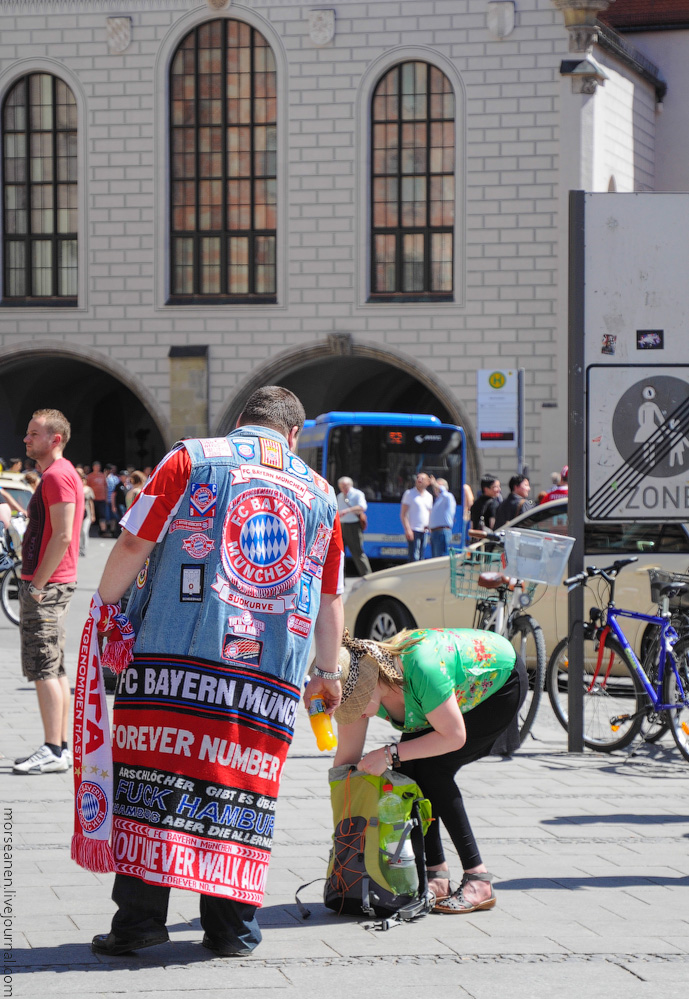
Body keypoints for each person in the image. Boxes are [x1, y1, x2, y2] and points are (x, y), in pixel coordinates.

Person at [89, 385, 345, 959]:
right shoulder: (322, 494)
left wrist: (104, 608)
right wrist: (327, 672)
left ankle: (139, 923)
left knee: (153, 782)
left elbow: (134, 540)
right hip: (267, 679)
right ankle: (232, 929)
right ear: (293, 434)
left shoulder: (191, 459)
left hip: (170, 661)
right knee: (243, 791)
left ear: (240, 422)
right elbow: (330, 598)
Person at [322, 628, 526, 914]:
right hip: (438, 699)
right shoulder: (356, 680)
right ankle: (437, 876)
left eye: (354, 706)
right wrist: (344, 842)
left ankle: (479, 880)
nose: (351, 713)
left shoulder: (422, 667)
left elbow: (454, 736)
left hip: (495, 683)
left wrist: (388, 754)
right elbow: (346, 764)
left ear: (370, 684)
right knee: (410, 771)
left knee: (433, 771)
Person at [12, 409, 84, 775]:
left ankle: (54, 750)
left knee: (43, 667)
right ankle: (60, 746)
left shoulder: (56, 476)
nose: (26, 439)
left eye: (34, 433)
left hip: (48, 585)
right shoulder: (59, 474)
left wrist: (37, 584)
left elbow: (64, 535)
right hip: (52, 583)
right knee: (52, 666)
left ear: (55, 439)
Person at [336, 476, 372, 577]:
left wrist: (347, 511)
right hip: (341, 525)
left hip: (353, 526)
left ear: (350, 485)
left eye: (345, 486)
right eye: (341, 487)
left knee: (358, 553)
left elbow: (362, 507)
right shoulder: (340, 496)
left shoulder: (357, 494)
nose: (344, 489)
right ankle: (340, 579)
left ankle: (367, 576)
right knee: (339, 553)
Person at [400, 472, 433, 561]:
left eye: (422, 479)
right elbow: (403, 514)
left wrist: (430, 526)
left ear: (427, 482)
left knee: (421, 556)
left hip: (424, 531)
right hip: (413, 530)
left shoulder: (429, 496)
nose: (419, 480)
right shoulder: (409, 494)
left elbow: (429, 513)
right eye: (418, 478)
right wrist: (408, 530)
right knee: (414, 556)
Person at [428, 477, 456, 557]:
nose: (435, 488)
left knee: (440, 559)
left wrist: (434, 483)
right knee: (435, 559)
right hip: (435, 532)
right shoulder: (438, 500)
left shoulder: (448, 497)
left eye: (438, 486)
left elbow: (443, 491)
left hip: (442, 532)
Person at [87, 461, 108, 536]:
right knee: (91, 514)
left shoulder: (102, 476)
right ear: (93, 467)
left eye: (98, 466)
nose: (97, 468)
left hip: (101, 499)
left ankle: (103, 531)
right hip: (93, 499)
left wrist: (106, 497)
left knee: (102, 515)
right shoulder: (90, 476)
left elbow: (105, 487)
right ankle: (88, 530)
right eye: (96, 466)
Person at [79, 471, 96, 557]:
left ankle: (83, 549)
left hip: (87, 512)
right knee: (78, 532)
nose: (83, 481)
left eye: (84, 480)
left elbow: (91, 503)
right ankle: (78, 548)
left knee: (84, 531)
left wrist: (93, 514)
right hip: (78, 512)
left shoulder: (89, 490)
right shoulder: (77, 488)